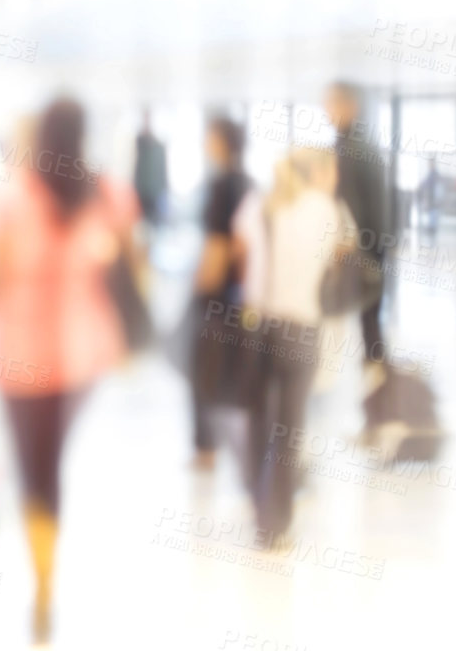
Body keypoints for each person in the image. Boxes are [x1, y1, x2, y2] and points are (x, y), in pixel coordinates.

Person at [0, 97, 138, 643]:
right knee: (52, 461)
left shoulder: (12, 201)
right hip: (80, 357)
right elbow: (124, 266)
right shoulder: (103, 196)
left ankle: (42, 579)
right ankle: (47, 579)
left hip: (19, 359)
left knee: (32, 470)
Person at [245, 148, 345, 543]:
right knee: (289, 430)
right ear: (318, 172)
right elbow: (331, 264)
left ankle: (259, 507)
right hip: (301, 330)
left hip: (259, 328)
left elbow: (245, 259)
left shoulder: (263, 204)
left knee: (259, 425)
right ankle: (275, 524)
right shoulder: (325, 209)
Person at [186, 115, 256, 472]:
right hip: (242, 295)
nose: (204, 142)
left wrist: (199, 290)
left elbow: (218, 246)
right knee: (234, 371)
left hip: (215, 297)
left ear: (222, 142)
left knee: (203, 373)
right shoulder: (249, 183)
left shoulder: (220, 186)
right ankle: (237, 445)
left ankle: (205, 450)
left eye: (208, 136)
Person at [323, 81, 390, 368]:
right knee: (370, 314)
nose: (327, 111)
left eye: (333, 104)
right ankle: (374, 365)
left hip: (363, 243)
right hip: (373, 242)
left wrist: (350, 246)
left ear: (351, 106)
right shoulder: (362, 144)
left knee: (363, 310)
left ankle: (374, 368)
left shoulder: (350, 148)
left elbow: (349, 205)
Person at [132, 107, 169, 228]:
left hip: (154, 192)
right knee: (140, 223)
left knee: (153, 222)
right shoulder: (139, 142)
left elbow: (163, 170)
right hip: (140, 190)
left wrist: (163, 188)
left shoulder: (159, 146)